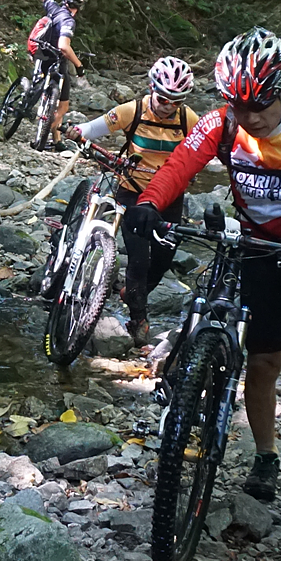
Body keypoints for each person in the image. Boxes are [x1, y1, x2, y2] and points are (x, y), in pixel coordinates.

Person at [123, 27, 281, 502]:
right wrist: (149, 203)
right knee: (264, 360)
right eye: (238, 104)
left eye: (260, 105)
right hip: (259, 247)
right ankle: (265, 456)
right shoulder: (222, 124)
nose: (249, 117)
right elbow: (180, 165)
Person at [67, 57, 199, 346]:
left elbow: (206, 148)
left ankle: (133, 293)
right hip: (133, 191)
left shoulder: (188, 119)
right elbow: (95, 127)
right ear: (152, 89)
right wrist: (78, 131)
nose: (168, 106)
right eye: (163, 99)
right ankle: (139, 318)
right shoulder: (133, 110)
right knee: (139, 259)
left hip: (170, 197)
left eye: (176, 101)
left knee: (163, 260)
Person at [38, 0, 89, 151]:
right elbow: (64, 47)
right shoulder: (68, 21)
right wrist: (79, 66)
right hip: (56, 61)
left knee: (47, 94)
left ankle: (57, 140)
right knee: (63, 105)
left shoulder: (54, 9)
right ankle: (45, 132)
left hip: (41, 55)